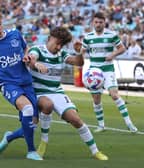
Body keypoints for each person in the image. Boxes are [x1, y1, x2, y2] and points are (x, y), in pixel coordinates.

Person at [24, 27, 108, 160]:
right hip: (39, 92)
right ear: (49, 38)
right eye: (57, 43)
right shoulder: (38, 49)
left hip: (57, 92)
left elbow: (78, 63)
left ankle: (95, 151)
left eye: (61, 44)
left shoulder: (62, 54)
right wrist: (35, 64)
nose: (59, 47)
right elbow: (31, 58)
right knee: (47, 105)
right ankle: (44, 141)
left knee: (76, 120)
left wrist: (80, 52)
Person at [81, 12, 138, 133]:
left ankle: (129, 123)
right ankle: (101, 125)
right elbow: (82, 52)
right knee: (96, 99)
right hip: (94, 71)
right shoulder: (88, 37)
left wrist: (112, 54)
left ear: (104, 22)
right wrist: (78, 50)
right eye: (96, 22)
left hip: (107, 70)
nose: (98, 24)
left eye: (100, 22)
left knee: (114, 95)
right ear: (93, 23)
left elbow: (122, 48)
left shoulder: (111, 35)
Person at [0, 14, 42, 160]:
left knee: (32, 124)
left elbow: (26, 49)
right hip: (8, 84)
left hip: (26, 81)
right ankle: (31, 151)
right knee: (28, 108)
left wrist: (27, 56)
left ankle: (9, 137)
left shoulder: (15, 34)